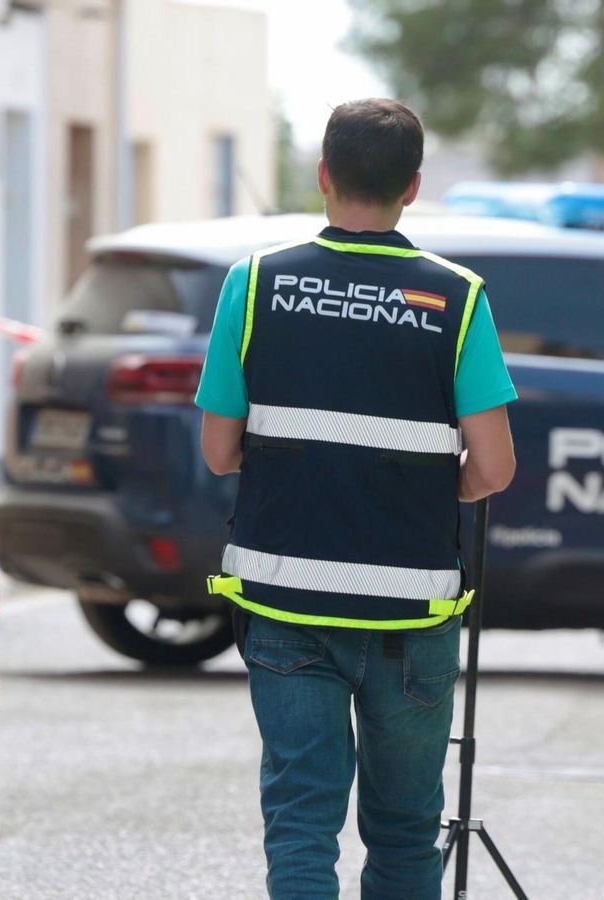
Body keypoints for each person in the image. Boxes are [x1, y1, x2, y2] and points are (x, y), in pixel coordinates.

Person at [196, 99, 517, 899]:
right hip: (410, 612)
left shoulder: (257, 282)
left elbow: (217, 451)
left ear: (323, 176)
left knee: (303, 822)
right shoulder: (458, 297)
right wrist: (436, 488)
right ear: (412, 186)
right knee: (405, 830)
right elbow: (496, 467)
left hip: (286, 602)